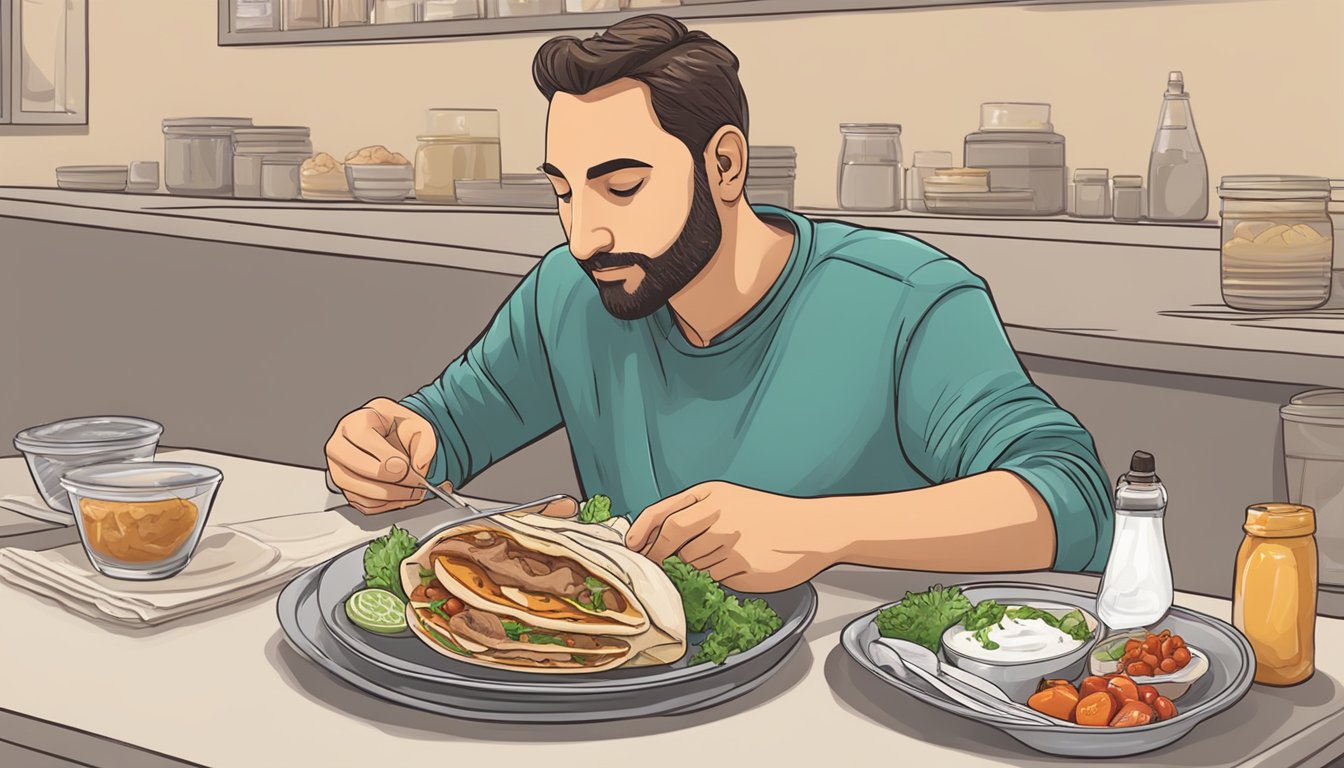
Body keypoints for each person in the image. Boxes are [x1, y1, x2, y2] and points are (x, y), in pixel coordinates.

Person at [324, 14, 1114, 593]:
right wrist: (396, 443)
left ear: (726, 164)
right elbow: (449, 430)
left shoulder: (905, 303)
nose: (585, 235)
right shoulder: (572, 292)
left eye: (622, 186)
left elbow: (1071, 501)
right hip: (635, 692)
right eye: (563, 192)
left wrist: (818, 533)